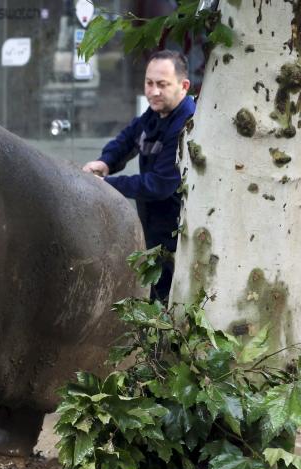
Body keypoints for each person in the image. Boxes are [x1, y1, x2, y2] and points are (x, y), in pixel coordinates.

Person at [82, 50, 195, 301]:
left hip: (180, 235)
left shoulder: (187, 123)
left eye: (162, 85)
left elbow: (160, 185)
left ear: (183, 86)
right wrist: (105, 162)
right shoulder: (155, 114)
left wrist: (105, 184)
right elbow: (128, 139)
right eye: (149, 83)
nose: (153, 91)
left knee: (171, 300)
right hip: (154, 230)